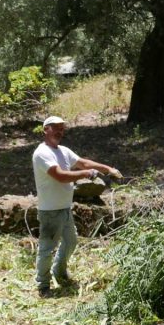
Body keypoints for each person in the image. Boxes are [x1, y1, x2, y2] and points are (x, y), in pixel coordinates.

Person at [32, 115, 122, 296]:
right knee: (47, 248)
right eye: (56, 128)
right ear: (45, 129)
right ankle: (43, 285)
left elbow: (83, 162)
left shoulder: (63, 151)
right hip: (50, 210)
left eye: (62, 129)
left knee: (71, 242)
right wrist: (86, 174)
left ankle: (59, 272)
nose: (60, 132)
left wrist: (107, 169)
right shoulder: (42, 153)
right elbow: (60, 175)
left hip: (64, 208)